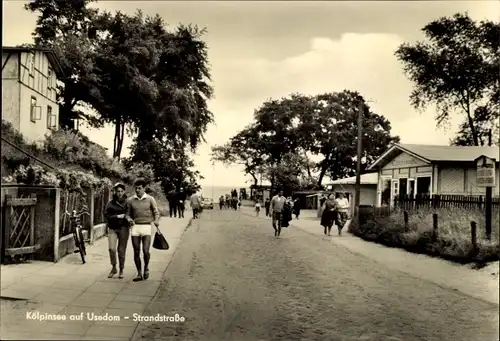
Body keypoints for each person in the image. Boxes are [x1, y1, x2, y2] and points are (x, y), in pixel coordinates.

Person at [126, 178, 160, 282]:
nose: (137, 190)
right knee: (136, 252)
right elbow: (127, 214)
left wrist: (156, 220)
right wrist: (129, 219)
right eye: (136, 188)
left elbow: (156, 212)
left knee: (145, 251)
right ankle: (139, 273)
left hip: (146, 227)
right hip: (135, 227)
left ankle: (146, 268)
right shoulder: (130, 200)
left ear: (144, 188)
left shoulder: (150, 199)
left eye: (139, 188)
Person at [104, 182, 132, 279]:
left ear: (124, 192)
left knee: (121, 250)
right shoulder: (110, 203)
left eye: (121, 191)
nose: (119, 193)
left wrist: (129, 219)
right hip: (112, 228)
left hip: (124, 228)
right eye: (118, 191)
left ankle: (121, 269)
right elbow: (106, 215)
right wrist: (117, 216)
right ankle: (114, 267)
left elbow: (129, 214)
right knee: (111, 249)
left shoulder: (128, 203)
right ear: (115, 192)